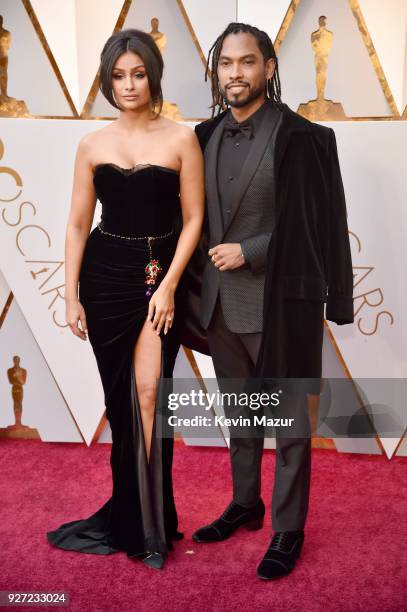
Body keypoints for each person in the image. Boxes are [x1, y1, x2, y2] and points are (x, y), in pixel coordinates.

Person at [182, 22, 354, 580]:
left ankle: (287, 527)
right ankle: (245, 502)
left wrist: (251, 249)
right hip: (219, 308)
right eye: (226, 63)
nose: (235, 73)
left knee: (291, 426)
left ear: (269, 68)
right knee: (241, 416)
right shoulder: (201, 136)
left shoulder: (306, 137)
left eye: (246, 62)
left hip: (284, 304)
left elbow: (320, 225)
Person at [46, 28, 204, 570]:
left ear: (153, 75)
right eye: (118, 76)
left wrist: (167, 286)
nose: (129, 84)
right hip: (105, 277)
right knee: (123, 404)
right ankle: (132, 520)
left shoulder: (183, 138)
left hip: (160, 277)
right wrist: (70, 296)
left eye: (138, 73)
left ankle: (153, 524)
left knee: (149, 395)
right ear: (107, 82)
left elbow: (195, 220)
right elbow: (75, 224)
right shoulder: (92, 144)